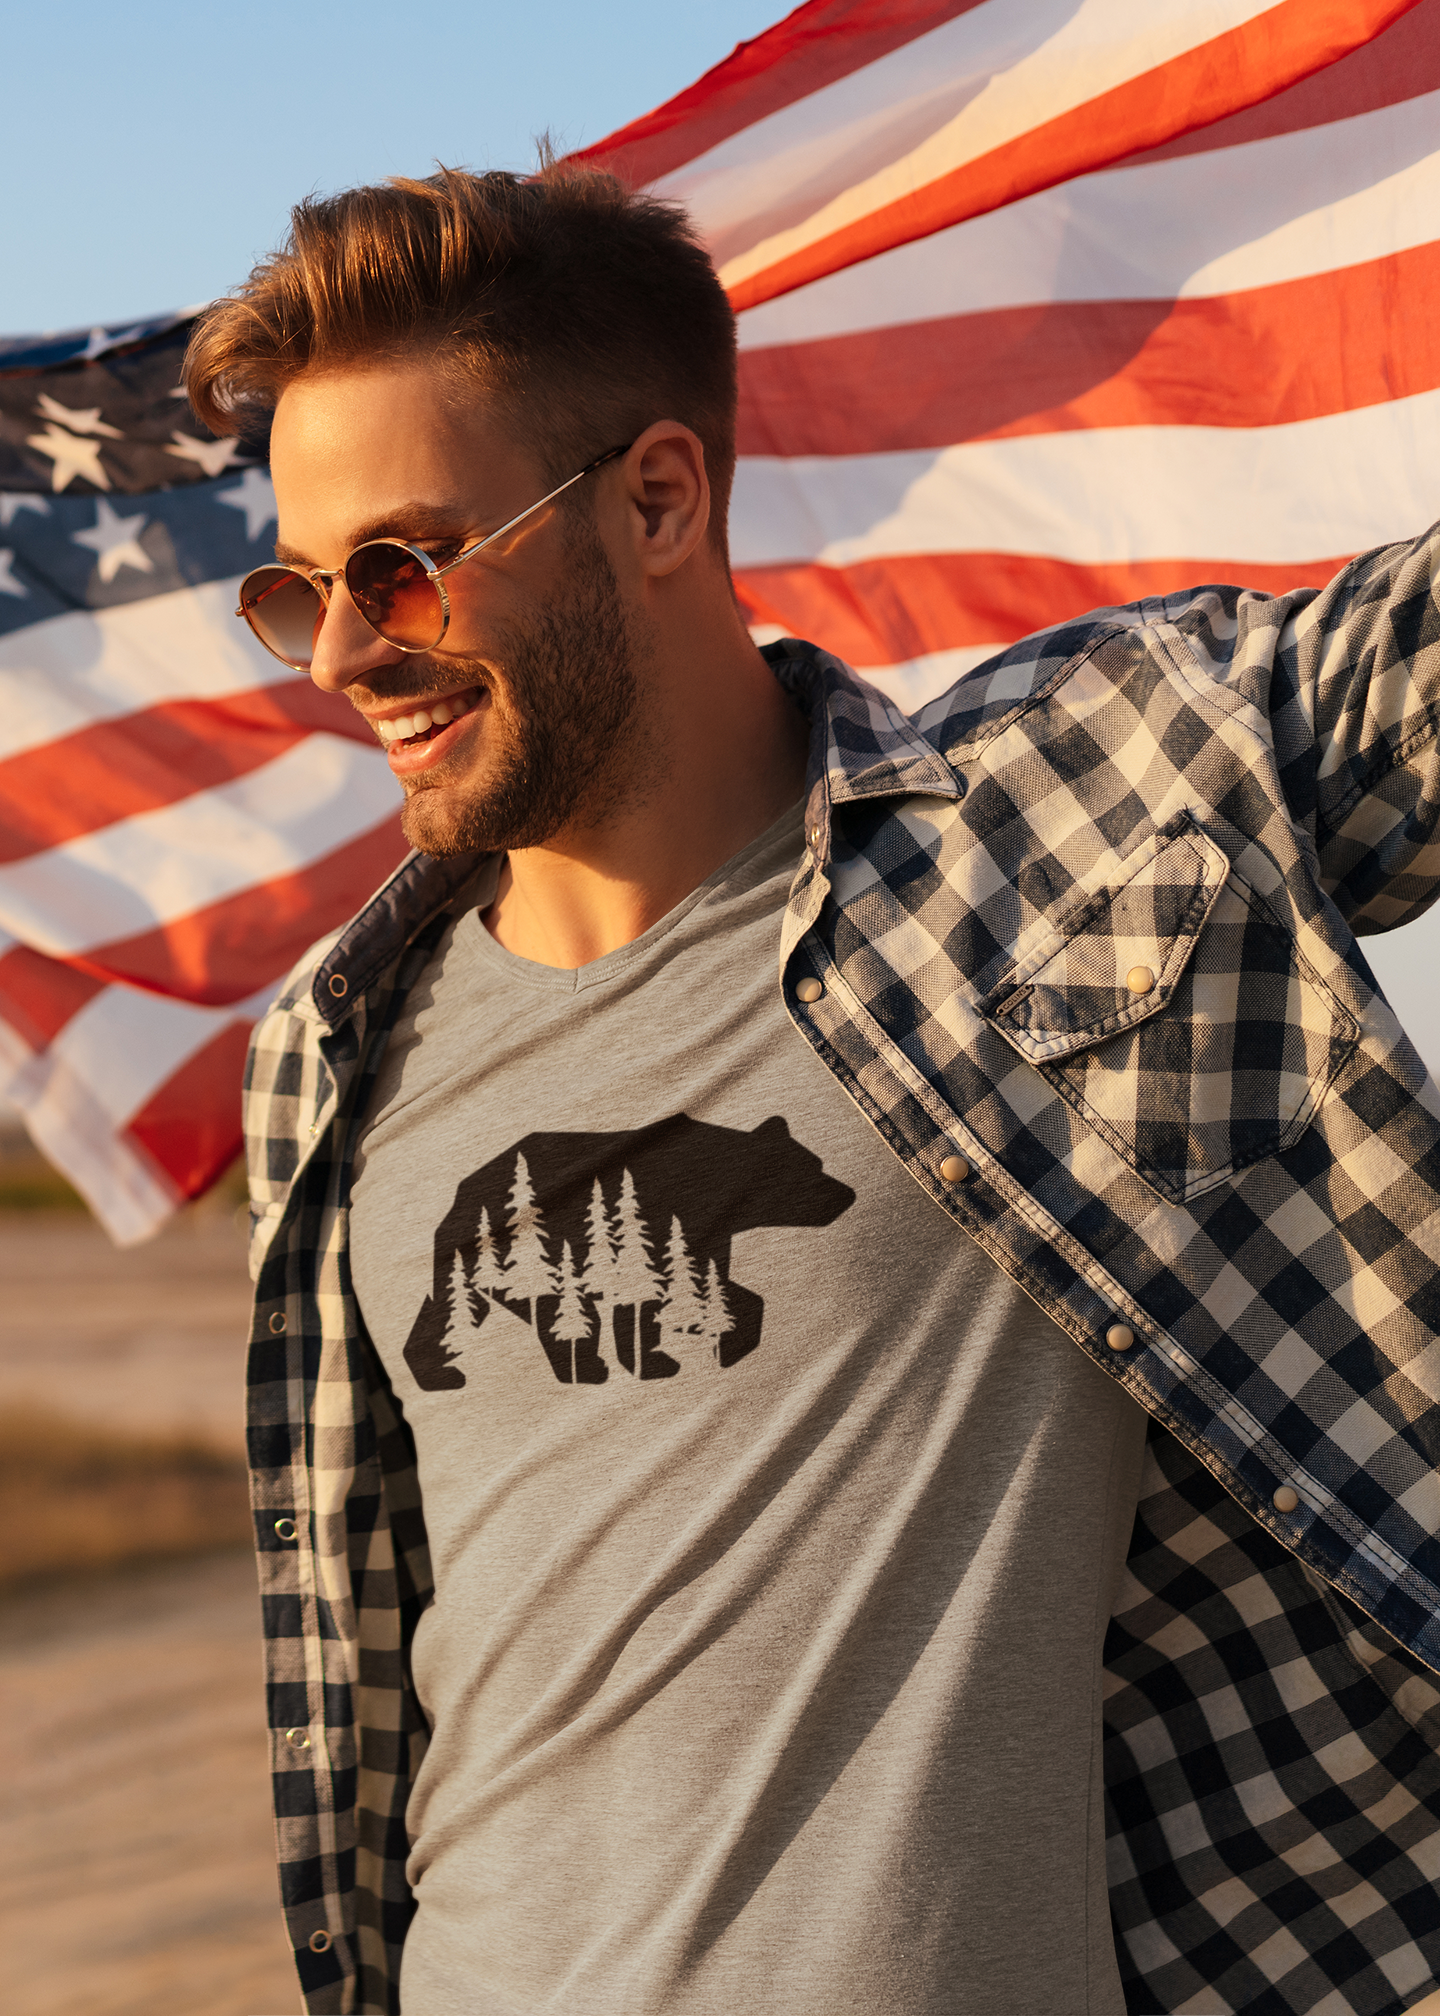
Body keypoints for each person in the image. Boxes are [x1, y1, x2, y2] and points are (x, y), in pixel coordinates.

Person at [185, 164, 1440, 2016]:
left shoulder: (1070, 822)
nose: (352, 654)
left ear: (662, 497)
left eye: (403, 563)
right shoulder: (329, 1054)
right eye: (300, 589)